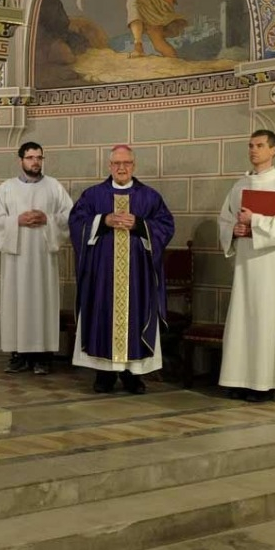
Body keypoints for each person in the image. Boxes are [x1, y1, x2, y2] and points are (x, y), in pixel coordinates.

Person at [69, 144, 174, 393]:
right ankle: (103, 374)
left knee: (134, 319)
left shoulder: (149, 197)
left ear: (134, 165)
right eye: (116, 163)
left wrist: (140, 225)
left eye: (126, 163)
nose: (121, 168)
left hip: (137, 276)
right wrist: (102, 220)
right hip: (102, 275)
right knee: (102, 316)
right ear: (109, 166)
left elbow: (166, 226)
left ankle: (132, 375)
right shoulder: (93, 195)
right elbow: (76, 223)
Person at [217, 130, 275, 402]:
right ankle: (239, 379)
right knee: (244, 318)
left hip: (274, 265)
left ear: (273, 150)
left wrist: (255, 221)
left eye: (260, 145)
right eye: (251, 145)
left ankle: (264, 384)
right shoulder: (240, 185)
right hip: (247, 264)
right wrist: (234, 230)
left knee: (268, 319)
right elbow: (225, 219)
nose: (253, 150)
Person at [0, 141, 73, 375]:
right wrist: (16, 220)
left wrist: (47, 218)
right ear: (21, 160)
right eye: (30, 158)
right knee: (16, 302)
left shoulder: (54, 187)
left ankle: (43, 357)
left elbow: (69, 216)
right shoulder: (6, 188)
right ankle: (18, 355)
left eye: (39, 157)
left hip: (43, 259)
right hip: (16, 259)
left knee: (42, 302)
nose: (35, 162)